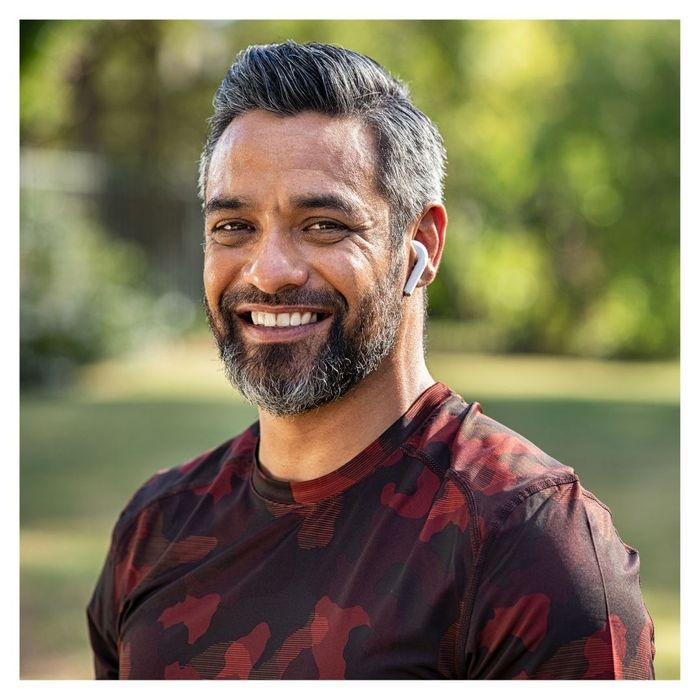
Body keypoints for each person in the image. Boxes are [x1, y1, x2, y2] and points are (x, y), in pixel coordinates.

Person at [87, 41, 655, 680]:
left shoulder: (531, 545)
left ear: (422, 244)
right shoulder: (156, 526)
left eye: (323, 224)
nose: (269, 273)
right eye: (233, 227)